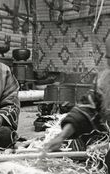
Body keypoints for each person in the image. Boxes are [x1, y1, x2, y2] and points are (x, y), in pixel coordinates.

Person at [44, 41, 110, 173]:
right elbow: (88, 108)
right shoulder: (106, 81)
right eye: (109, 59)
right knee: (82, 142)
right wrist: (61, 136)